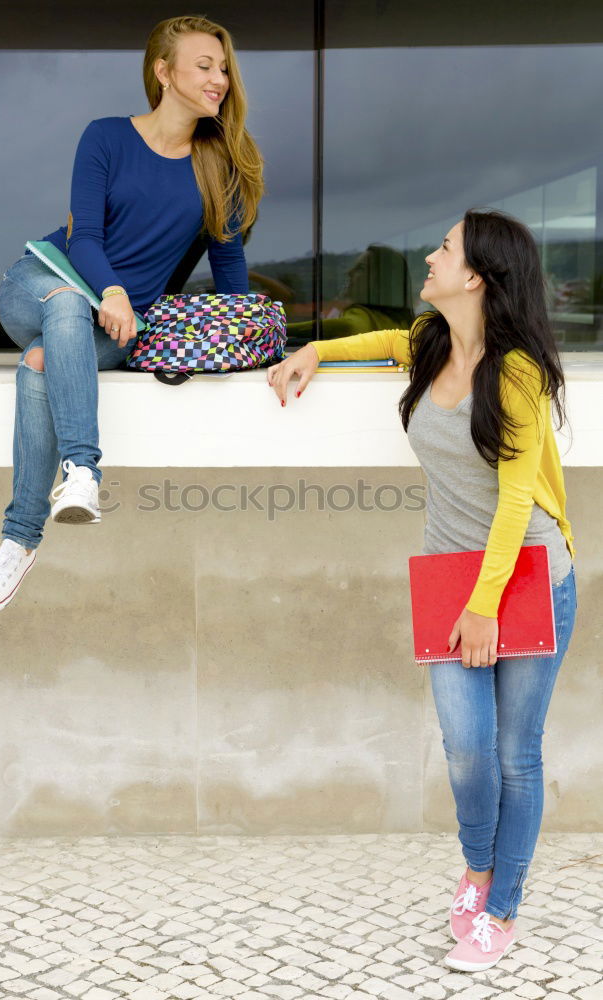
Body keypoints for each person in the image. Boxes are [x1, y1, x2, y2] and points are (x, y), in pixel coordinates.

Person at [268, 209, 576, 972]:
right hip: (446, 572)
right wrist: (312, 349)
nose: (430, 258)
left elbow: (513, 502)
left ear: (475, 275)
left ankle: (498, 910)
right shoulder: (428, 340)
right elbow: (375, 342)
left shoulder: (519, 372)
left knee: (514, 755)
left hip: (526, 575)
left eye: (444, 248)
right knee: (466, 748)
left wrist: (483, 606)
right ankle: (477, 870)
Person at [0, 14, 263, 616]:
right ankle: (83, 470)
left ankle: (19, 541)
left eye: (223, 67)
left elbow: (229, 271)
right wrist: (114, 293)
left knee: (43, 362)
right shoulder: (105, 137)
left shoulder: (218, 166)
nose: (219, 78)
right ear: (163, 72)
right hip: (43, 282)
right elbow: (85, 239)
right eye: (204, 65)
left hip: (109, 329)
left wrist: (255, 348)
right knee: (67, 302)